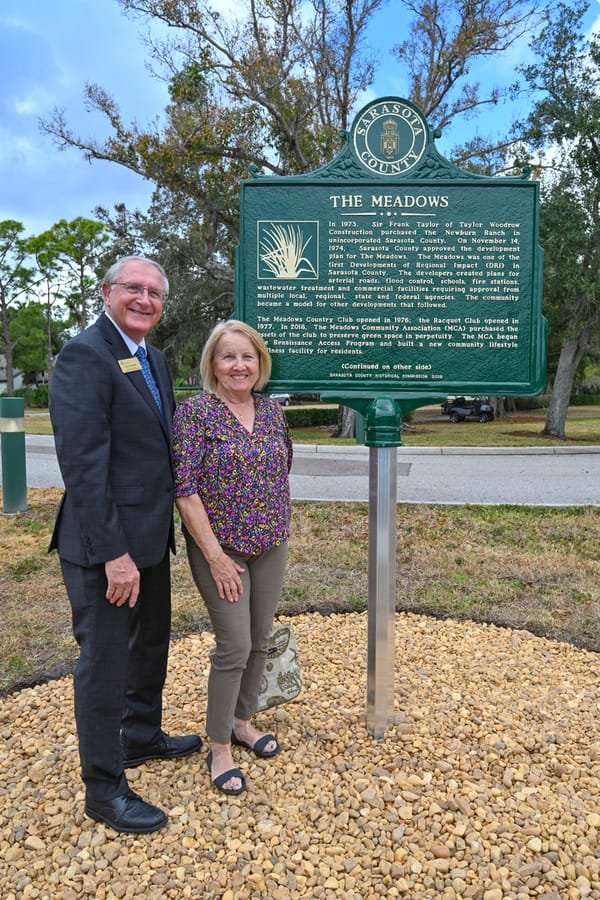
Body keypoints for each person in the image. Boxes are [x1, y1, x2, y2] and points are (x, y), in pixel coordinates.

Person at [49, 255, 201, 834]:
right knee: (105, 663)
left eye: (155, 293)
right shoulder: (84, 356)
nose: (144, 299)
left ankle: (139, 736)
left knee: (149, 646)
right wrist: (114, 554)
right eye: (132, 289)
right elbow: (84, 467)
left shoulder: (152, 359)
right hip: (103, 546)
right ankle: (105, 788)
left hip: (148, 539)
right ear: (107, 293)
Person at [172, 320, 292, 796]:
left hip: (271, 544)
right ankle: (219, 743)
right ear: (213, 365)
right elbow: (185, 492)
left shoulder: (272, 411)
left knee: (261, 640)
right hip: (220, 551)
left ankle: (243, 721)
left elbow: (283, 470)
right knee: (234, 645)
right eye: (228, 357)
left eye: (247, 356)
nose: (238, 365)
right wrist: (218, 558)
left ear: (259, 363)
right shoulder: (196, 414)